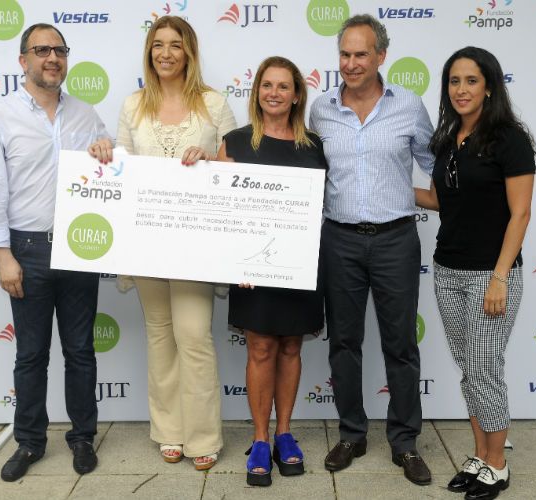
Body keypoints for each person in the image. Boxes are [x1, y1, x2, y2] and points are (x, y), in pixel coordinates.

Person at [88, 16, 236, 470]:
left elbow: (235, 169)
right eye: (158, 45)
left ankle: (203, 437)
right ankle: (169, 431)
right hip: (146, 241)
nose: (165, 53)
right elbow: (121, 165)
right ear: (149, 52)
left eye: (175, 45)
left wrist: (210, 160)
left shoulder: (214, 103)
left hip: (195, 245)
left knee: (193, 335)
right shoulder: (134, 104)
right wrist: (102, 152)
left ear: (189, 51)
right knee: (160, 336)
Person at [0, 23, 109, 482]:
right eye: (42, 50)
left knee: (81, 351)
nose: (53, 58)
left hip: (79, 248)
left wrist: (108, 150)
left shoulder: (88, 114)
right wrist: (2, 255)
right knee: (31, 355)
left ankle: (83, 437)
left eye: (60, 50)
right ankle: (29, 441)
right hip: (26, 250)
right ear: (23, 61)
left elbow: (108, 170)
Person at [309, 14, 434, 485]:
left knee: (400, 344)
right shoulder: (320, 109)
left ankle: (404, 442)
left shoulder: (409, 106)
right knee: (343, 343)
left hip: (396, 240)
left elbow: (437, 166)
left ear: (382, 56)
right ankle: (352, 433)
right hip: (338, 239)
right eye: (344, 54)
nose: (352, 63)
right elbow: (307, 173)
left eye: (361, 54)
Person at [414, 46, 536, 500]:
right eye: (453, 81)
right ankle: (481, 456)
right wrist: (389, 189)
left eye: (470, 80)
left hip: (492, 274)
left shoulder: (509, 138)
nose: (461, 89)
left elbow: (520, 214)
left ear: (489, 86)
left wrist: (500, 277)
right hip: (447, 271)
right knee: (470, 370)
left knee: (486, 370)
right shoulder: (447, 138)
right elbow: (439, 202)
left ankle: (498, 465)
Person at [216, 56, 327, 487]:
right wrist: (236, 260)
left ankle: (284, 433)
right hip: (252, 269)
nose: (275, 93)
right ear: (256, 92)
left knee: (291, 348)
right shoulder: (236, 142)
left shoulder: (316, 145)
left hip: (301, 266)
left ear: (297, 94)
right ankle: (260, 438)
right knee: (260, 348)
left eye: (284, 86)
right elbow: (219, 209)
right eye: (267, 85)